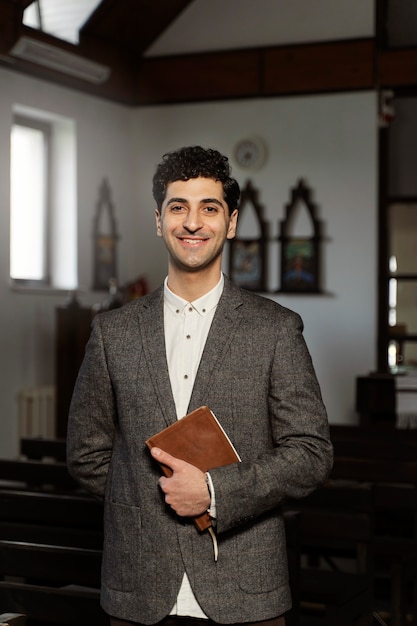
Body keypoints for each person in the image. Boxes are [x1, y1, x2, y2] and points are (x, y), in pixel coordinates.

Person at [67, 145, 333, 626]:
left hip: (246, 590)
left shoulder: (275, 328)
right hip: (137, 587)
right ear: (158, 219)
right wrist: (154, 503)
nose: (193, 223)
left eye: (209, 208)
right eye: (178, 207)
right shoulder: (113, 332)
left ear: (230, 223)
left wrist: (213, 492)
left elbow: (310, 454)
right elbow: (86, 453)